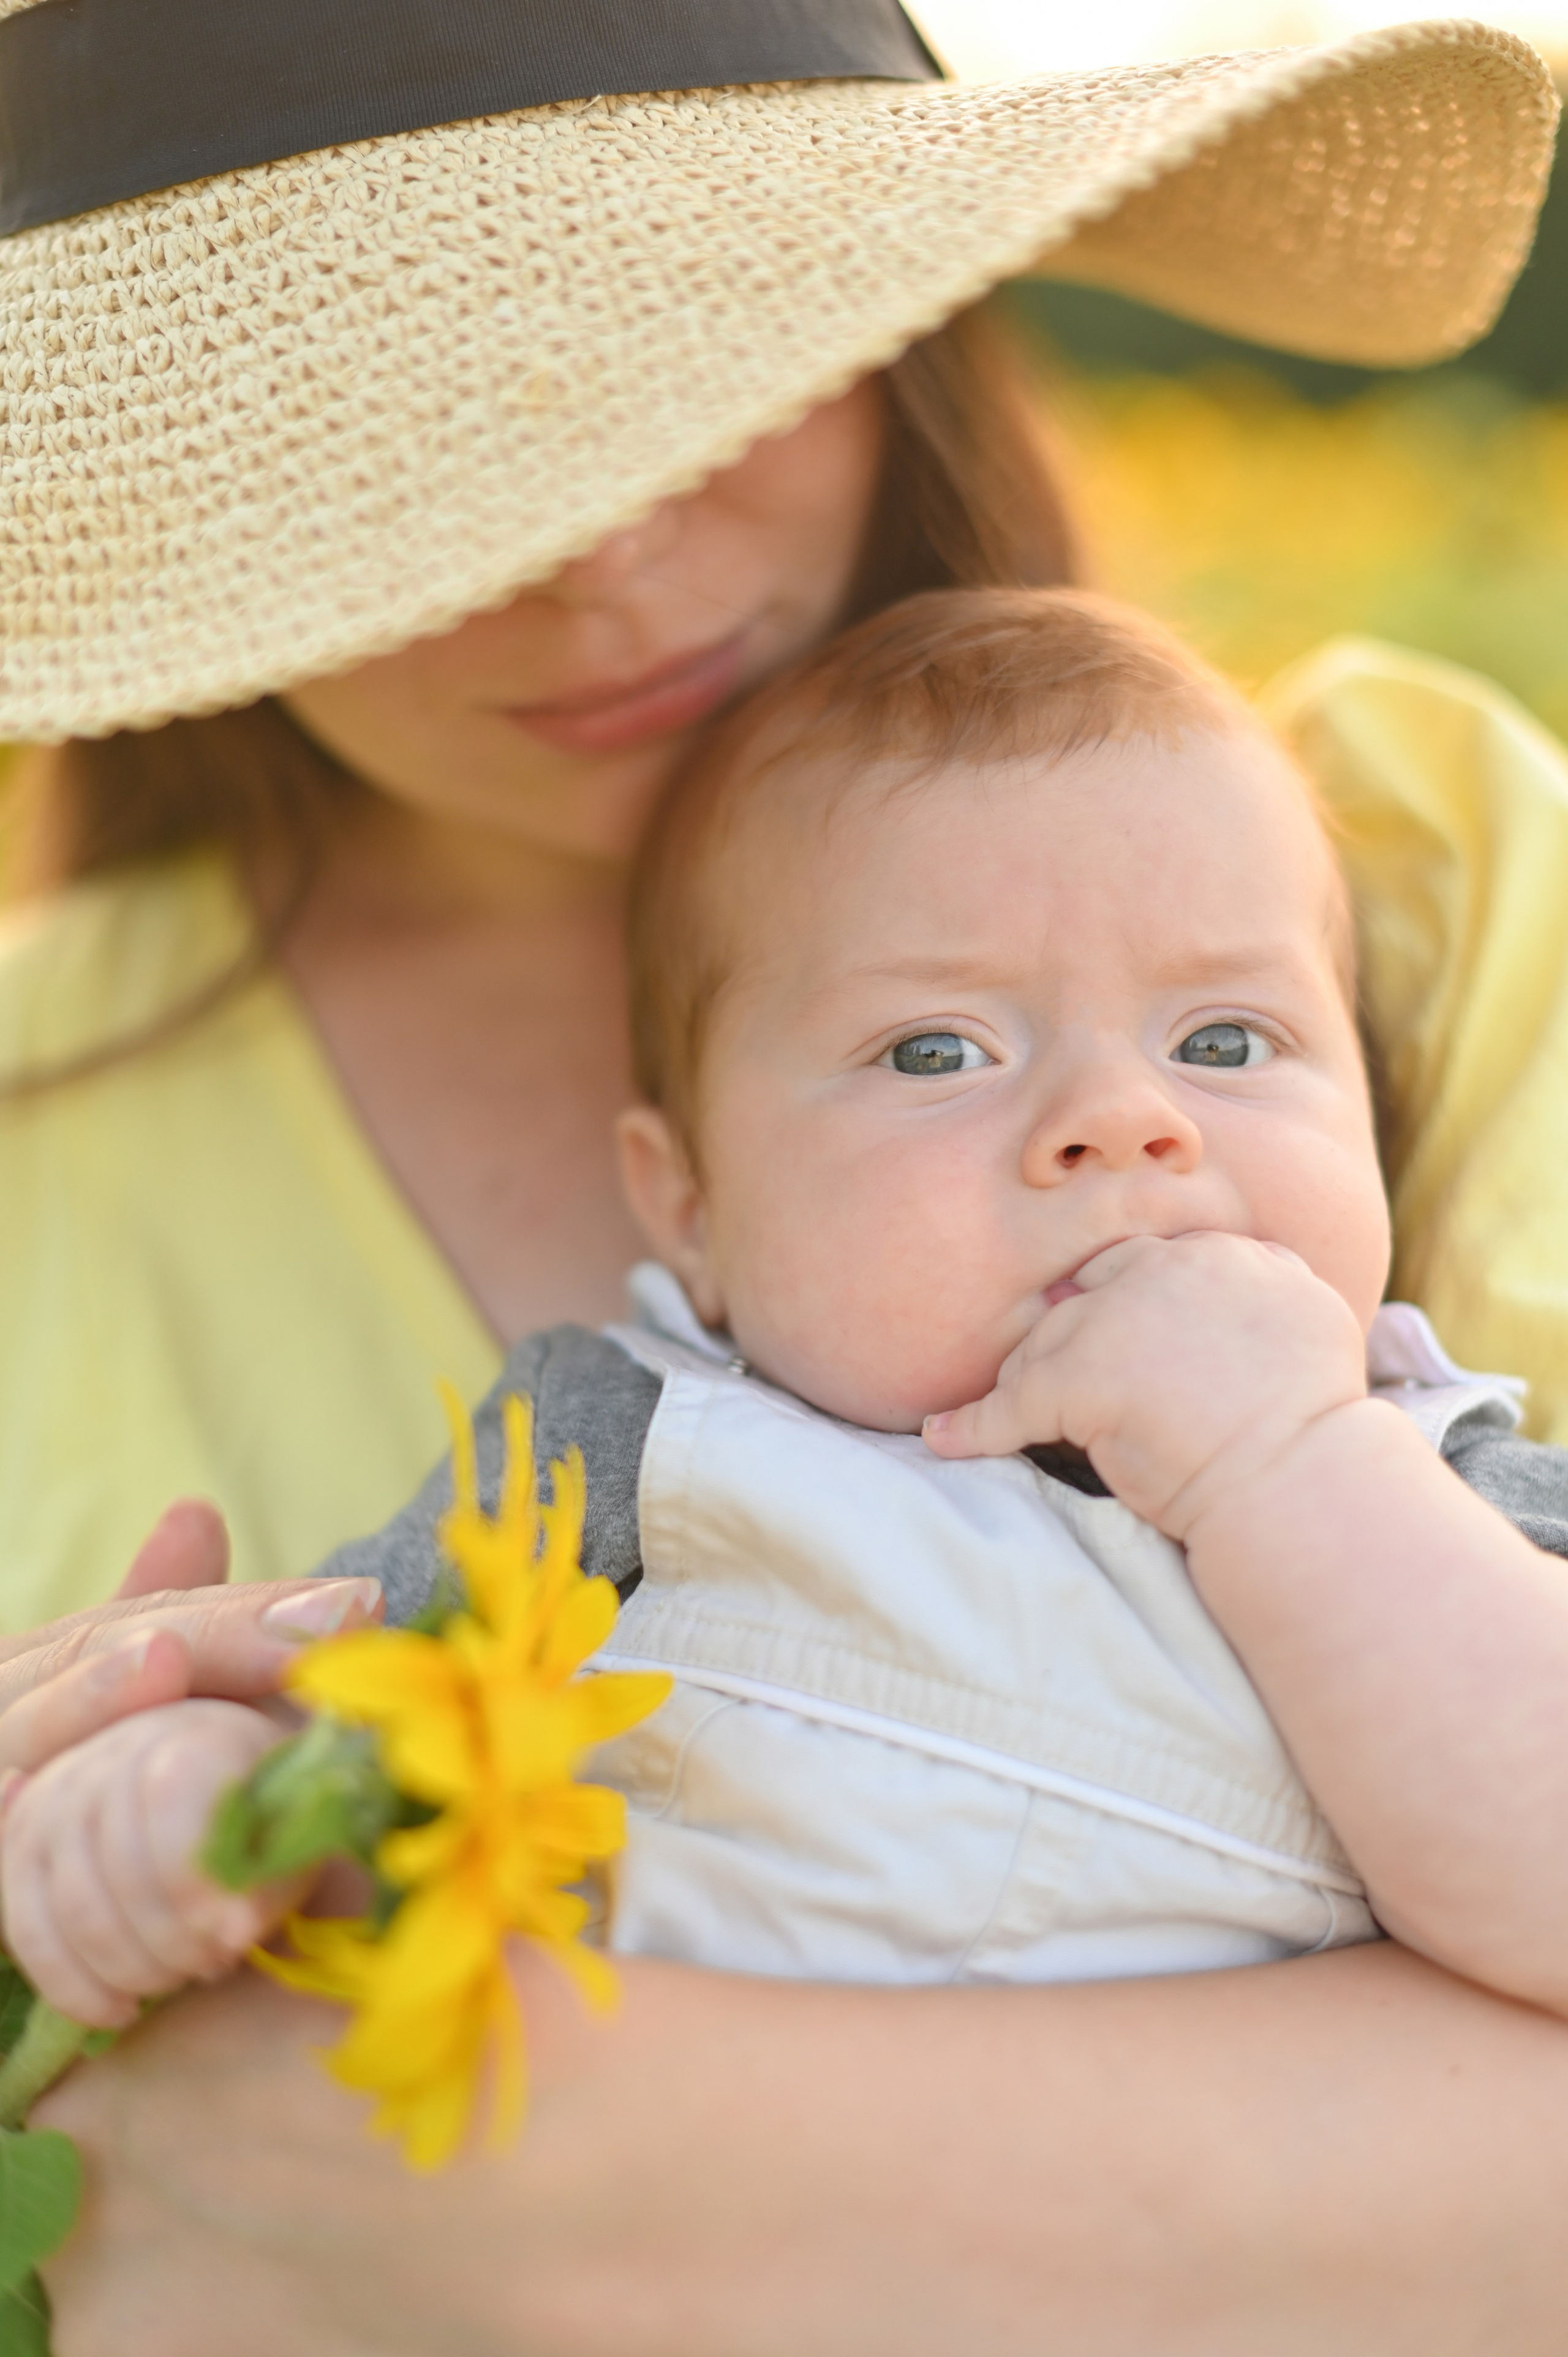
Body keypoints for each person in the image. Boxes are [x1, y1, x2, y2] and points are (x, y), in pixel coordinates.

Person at [0, 3, 1566, 2348]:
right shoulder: (72, 1143)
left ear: (899, 326)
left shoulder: (1396, 853)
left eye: (697, 364)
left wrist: (541, 2172)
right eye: (406, 435)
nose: (610, 556)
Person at [17, 588, 1568, 2045]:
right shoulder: (616, 1445)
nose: (1118, 1118)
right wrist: (199, 1777)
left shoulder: (1440, 1488)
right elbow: (365, 1730)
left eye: (1225, 1035)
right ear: (687, 1206)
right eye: (934, 1053)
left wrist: (1283, 1457)